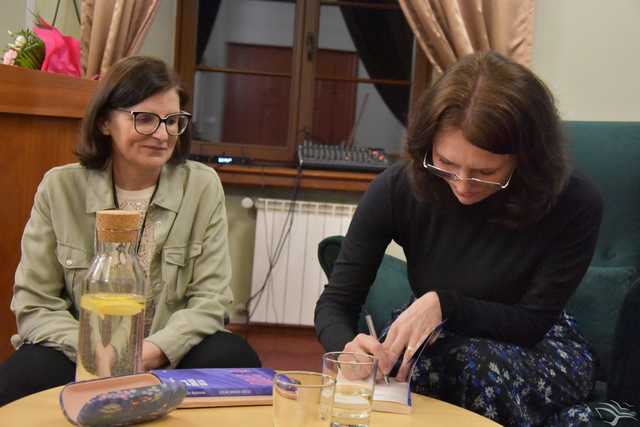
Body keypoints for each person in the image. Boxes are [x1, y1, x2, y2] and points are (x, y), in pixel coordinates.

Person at [315, 51, 603, 426]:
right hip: (437, 335)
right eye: (446, 164)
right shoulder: (397, 188)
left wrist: (446, 306)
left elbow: (531, 323)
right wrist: (347, 348)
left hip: (540, 342)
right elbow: (335, 302)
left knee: (464, 366)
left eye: (485, 172)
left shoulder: (573, 201)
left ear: (526, 159)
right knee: (391, 374)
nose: (463, 186)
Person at [0, 56, 260, 406]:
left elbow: (211, 300)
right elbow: (35, 303)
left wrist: (152, 352)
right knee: (21, 376)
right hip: (79, 356)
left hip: (168, 355)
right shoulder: (59, 187)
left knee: (231, 357)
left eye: (172, 121)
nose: (162, 133)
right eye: (145, 119)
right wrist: (95, 354)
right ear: (105, 121)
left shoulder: (202, 186)